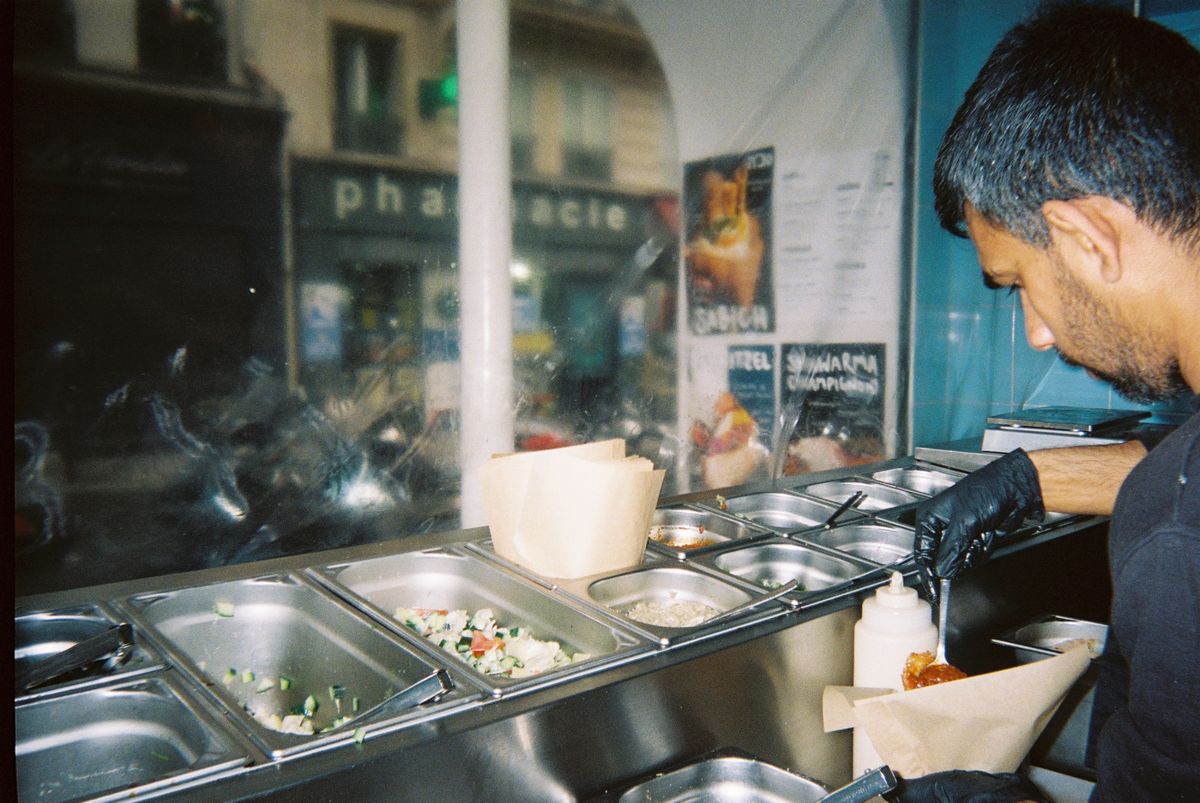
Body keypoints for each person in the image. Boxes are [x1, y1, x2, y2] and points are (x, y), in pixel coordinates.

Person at [900, 3, 1200, 801]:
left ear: (1089, 239)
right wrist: (1028, 479)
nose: (1035, 332)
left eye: (1020, 284)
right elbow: (1180, 466)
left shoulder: (1181, 562)